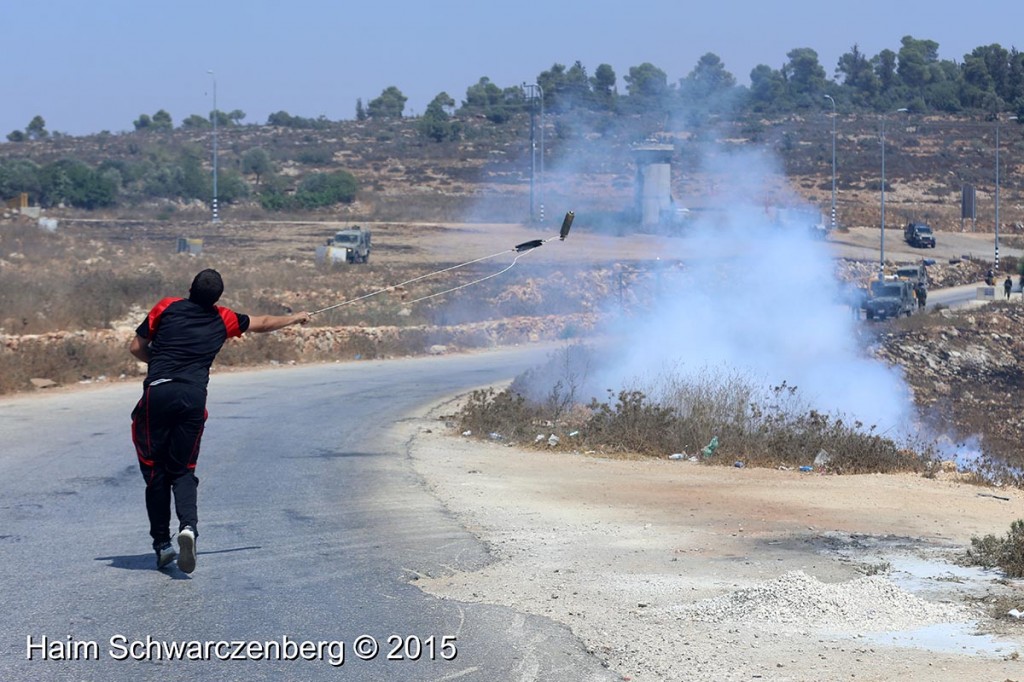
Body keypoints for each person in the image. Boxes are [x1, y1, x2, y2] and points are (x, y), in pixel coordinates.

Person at [129, 269, 310, 573]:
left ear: (189, 288)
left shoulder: (167, 306)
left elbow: (136, 346)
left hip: (158, 394)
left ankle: (162, 544)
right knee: (184, 470)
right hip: (193, 398)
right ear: (218, 298)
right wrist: (296, 317)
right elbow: (263, 323)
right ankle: (188, 528)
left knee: (155, 473)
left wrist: (159, 363)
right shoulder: (223, 318)